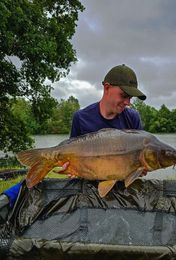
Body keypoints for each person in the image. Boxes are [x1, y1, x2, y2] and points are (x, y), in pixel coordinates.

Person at [0, 64, 146, 207]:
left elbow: (139, 163)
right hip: (87, 193)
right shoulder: (81, 117)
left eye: (130, 98)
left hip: (122, 193)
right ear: (107, 88)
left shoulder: (132, 118)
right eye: (124, 96)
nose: (128, 102)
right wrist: (70, 169)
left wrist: (141, 169)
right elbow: (71, 155)